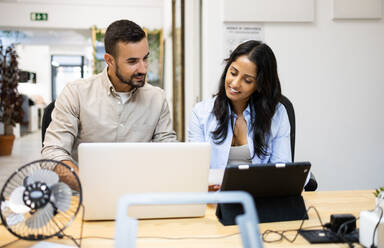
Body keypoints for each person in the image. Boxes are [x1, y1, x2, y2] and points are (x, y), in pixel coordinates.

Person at [42, 20, 177, 178]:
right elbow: (52, 153)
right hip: (82, 191)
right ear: (109, 60)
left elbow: (168, 151)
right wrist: (86, 184)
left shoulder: (157, 98)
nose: (143, 68)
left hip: (138, 192)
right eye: (132, 61)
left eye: (145, 58)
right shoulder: (76, 93)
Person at [188, 40, 291, 191]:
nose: (235, 83)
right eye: (233, 73)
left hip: (259, 199)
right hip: (214, 199)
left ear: (260, 85)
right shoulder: (201, 113)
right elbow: (195, 169)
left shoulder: (277, 114)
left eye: (247, 80)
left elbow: (283, 169)